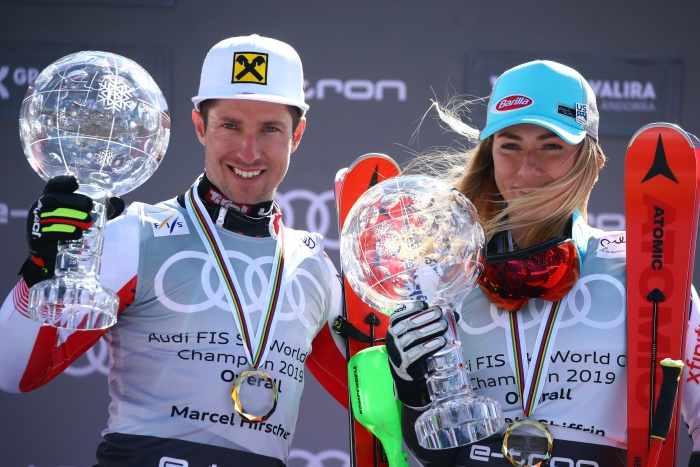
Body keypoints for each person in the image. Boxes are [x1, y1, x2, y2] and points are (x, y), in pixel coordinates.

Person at [0, 34, 343, 466]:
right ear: (200, 126)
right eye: (230, 126)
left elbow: (382, 407)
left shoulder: (312, 266)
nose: (249, 151)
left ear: (297, 135)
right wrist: (41, 269)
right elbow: (12, 372)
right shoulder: (136, 235)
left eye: (270, 128)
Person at [381, 60, 700, 465]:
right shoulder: (447, 278)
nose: (527, 169)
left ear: (591, 161)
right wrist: (412, 391)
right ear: (489, 155)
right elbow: (434, 455)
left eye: (551, 146)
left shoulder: (642, 270)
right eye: (510, 145)